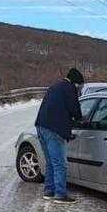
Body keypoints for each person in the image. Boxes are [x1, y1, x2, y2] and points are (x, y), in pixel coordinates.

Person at [35, 68, 84, 204]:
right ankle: (60, 194)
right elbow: (76, 112)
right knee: (60, 163)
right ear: (75, 82)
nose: (79, 88)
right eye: (79, 85)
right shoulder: (69, 89)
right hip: (53, 129)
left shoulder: (55, 86)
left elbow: (59, 109)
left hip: (41, 126)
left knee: (50, 161)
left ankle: (49, 191)